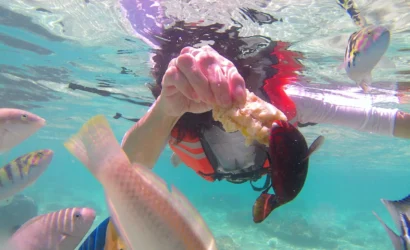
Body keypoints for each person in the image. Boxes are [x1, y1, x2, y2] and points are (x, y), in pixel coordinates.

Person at [120, 3, 410, 186]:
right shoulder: (177, 109)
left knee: (178, 145)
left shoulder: (289, 104)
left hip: (211, 162)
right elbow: (126, 168)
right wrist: (167, 110)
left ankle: (177, 154)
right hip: (195, 153)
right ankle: (176, 155)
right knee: (174, 145)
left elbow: (380, 119)